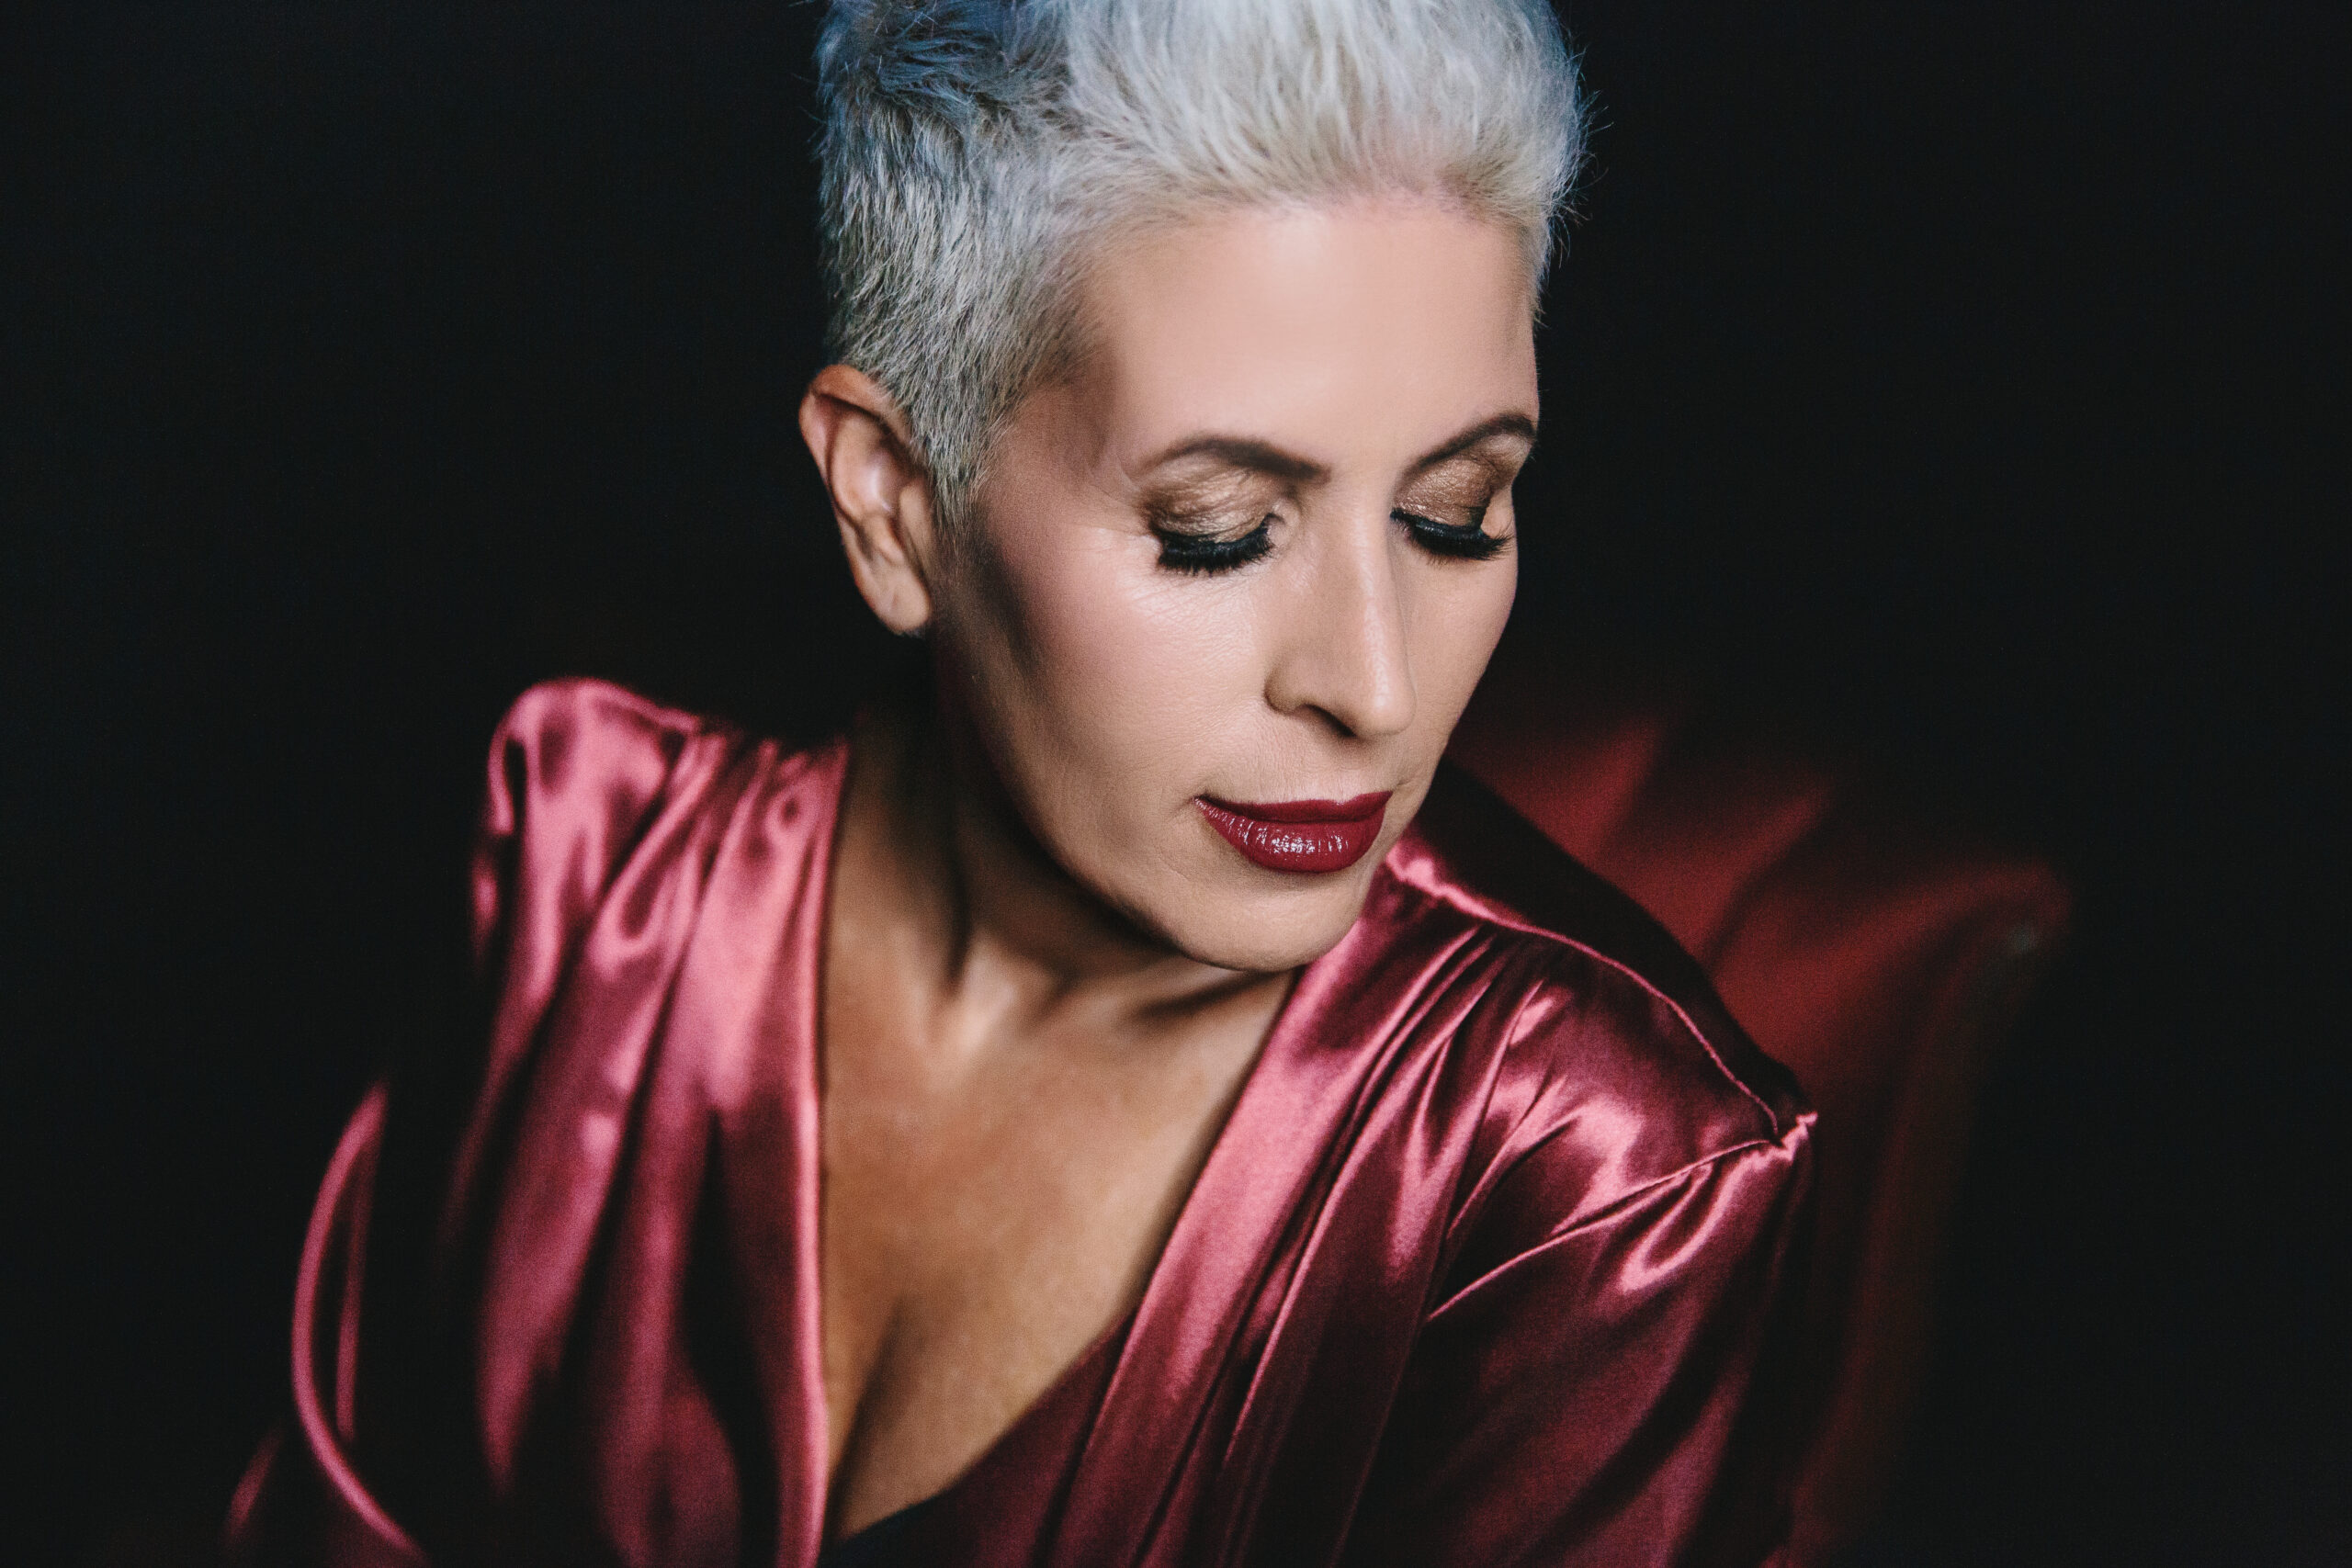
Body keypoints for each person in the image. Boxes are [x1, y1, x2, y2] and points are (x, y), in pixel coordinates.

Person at [228, 1, 1814, 1563]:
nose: (1375, 690)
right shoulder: (598, 833)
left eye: (1456, 513)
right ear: (894, 504)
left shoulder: (1609, 1174)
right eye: (1218, 531)